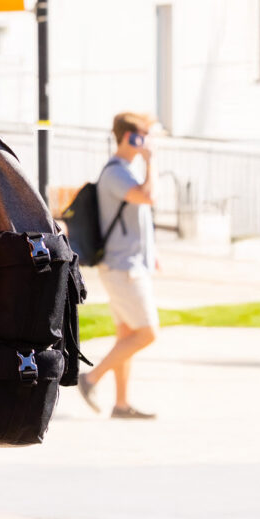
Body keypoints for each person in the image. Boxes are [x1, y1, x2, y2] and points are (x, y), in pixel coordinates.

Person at [79, 112, 162, 420]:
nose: (149, 141)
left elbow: (138, 214)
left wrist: (152, 252)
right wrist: (151, 162)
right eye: (145, 134)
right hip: (123, 268)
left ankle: (121, 404)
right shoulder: (116, 173)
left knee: (127, 333)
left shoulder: (125, 171)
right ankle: (90, 378)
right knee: (147, 333)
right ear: (131, 137)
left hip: (129, 263)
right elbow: (148, 196)